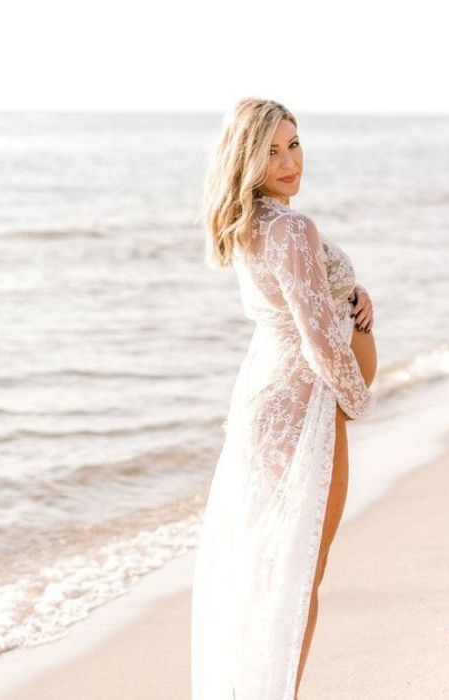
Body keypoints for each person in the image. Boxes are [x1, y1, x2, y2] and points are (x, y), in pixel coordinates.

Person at [191, 97, 378, 700]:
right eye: (271, 150)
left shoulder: (252, 225)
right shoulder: (293, 228)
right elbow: (322, 343)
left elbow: (308, 307)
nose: (290, 160)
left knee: (272, 569)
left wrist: (354, 294)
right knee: (299, 574)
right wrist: (361, 405)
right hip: (302, 409)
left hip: (266, 399)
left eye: (294, 144)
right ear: (247, 158)